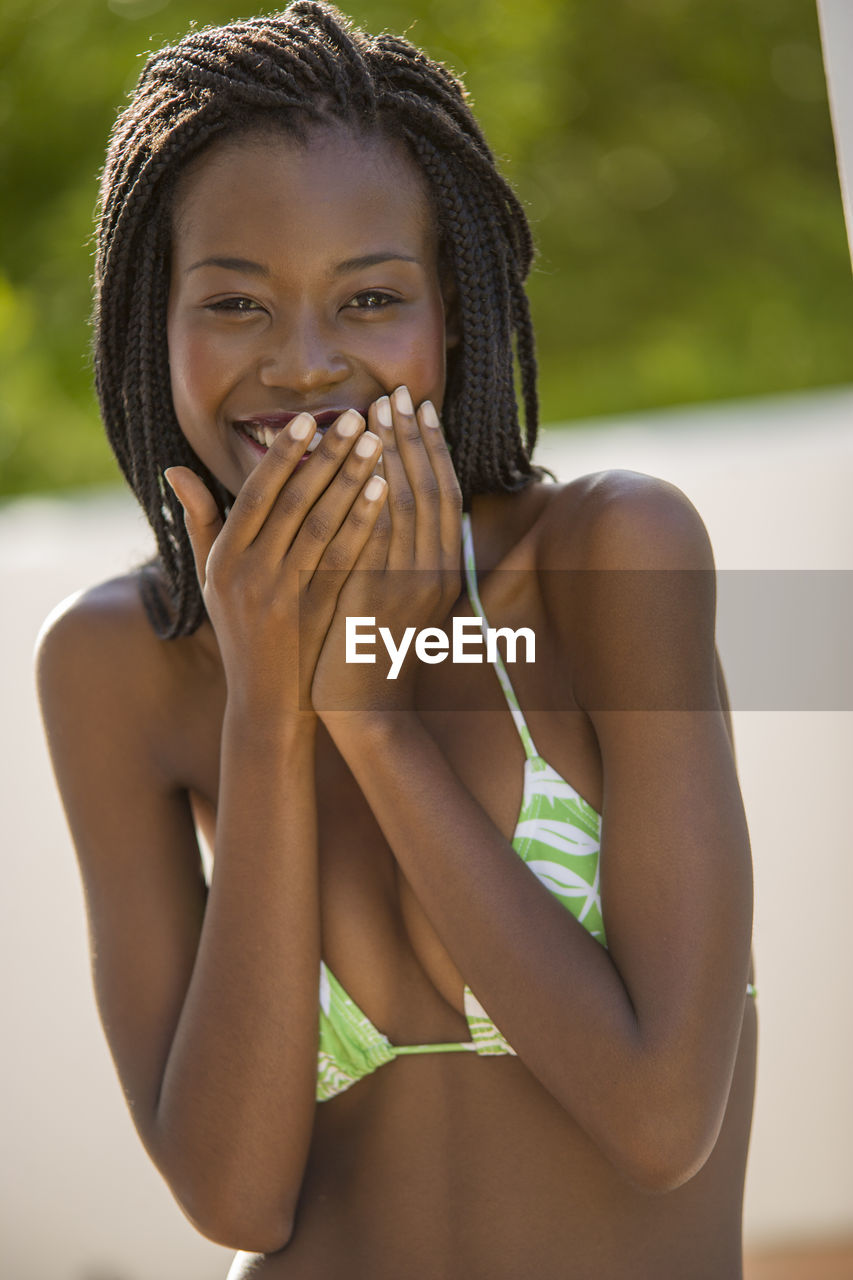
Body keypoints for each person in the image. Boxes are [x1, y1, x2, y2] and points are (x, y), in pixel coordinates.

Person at [35, 3, 757, 1276]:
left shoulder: (611, 560)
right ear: (156, 323)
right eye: (236, 303)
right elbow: (234, 1199)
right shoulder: (114, 662)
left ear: (456, 313)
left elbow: (660, 1118)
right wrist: (271, 705)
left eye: (369, 297)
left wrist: (370, 718)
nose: (306, 365)